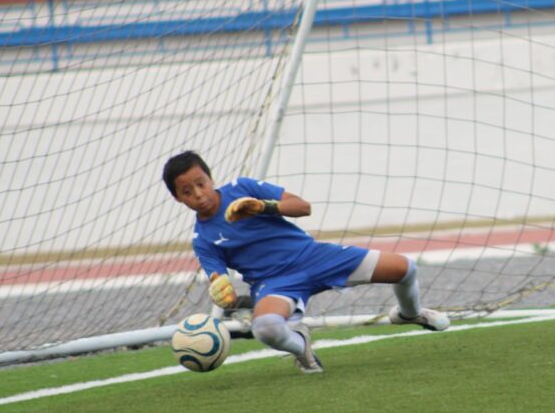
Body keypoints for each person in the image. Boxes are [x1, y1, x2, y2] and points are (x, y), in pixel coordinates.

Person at [163, 151, 450, 374]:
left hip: (314, 256)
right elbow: (219, 284)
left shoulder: (242, 187)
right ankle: (301, 346)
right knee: (265, 328)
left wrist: (264, 206)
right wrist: (222, 291)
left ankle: (408, 314)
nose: (198, 195)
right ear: (177, 198)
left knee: (405, 268)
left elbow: (303, 207)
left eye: (201, 184)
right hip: (275, 283)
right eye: (187, 192)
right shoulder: (202, 239)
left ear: (211, 178)